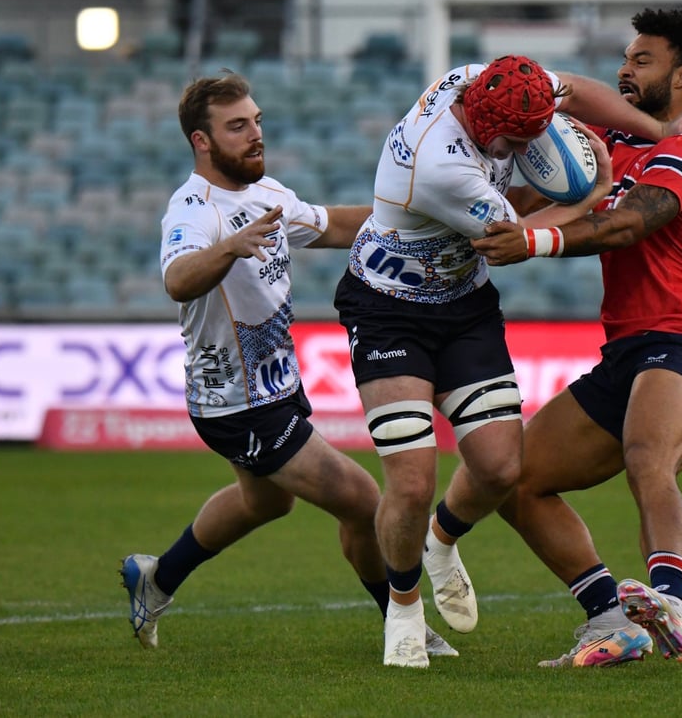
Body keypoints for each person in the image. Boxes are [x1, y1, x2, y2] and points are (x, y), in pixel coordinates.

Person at [334, 54, 682, 668]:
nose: (528, 145)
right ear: (488, 127)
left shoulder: (491, 77)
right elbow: (515, 239)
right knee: (412, 479)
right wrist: (594, 192)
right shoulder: (441, 167)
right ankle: (403, 610)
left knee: (503, 469)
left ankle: (439, 545)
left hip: (465, 307)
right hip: (388, 307)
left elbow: (579, 91)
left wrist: (662, 133)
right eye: (519, 140)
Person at [118, 70, 456, 659]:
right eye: (237, 126)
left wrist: (419, 216)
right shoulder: (193, 210)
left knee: (266, 502)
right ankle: (401, 623)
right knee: (361, 500)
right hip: (235, 402)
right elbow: (177, 279)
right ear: (202, 141)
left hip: (276, 387)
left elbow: (336, 226)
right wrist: (226, 248)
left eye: (257, 121)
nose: (255, 134)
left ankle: (157, 577)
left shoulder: (265, 192)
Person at [472, 8, 682, 667]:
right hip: (624, 352)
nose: (625, 67)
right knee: (515, 478)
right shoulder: (609, 140)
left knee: (649, 455)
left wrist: (533, 240)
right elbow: (552, 110)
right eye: (626, 56)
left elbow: (626, 226)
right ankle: (612, 619)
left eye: (643, 60)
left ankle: (668, 599)